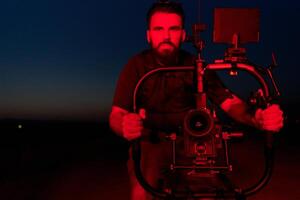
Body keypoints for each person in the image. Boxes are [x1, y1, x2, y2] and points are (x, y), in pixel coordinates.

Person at [109, 1, 284, 200]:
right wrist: (125, 126)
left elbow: (229, 103)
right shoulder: (135, 66)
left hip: (191, 142)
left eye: (173, 29)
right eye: (159, 29)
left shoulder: (196, 65)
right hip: (151, 143)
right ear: (149, 35)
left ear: (183, 35)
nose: (166, 36)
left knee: (210, 193)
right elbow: (116, 114)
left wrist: (257, 118)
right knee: (141, 194)